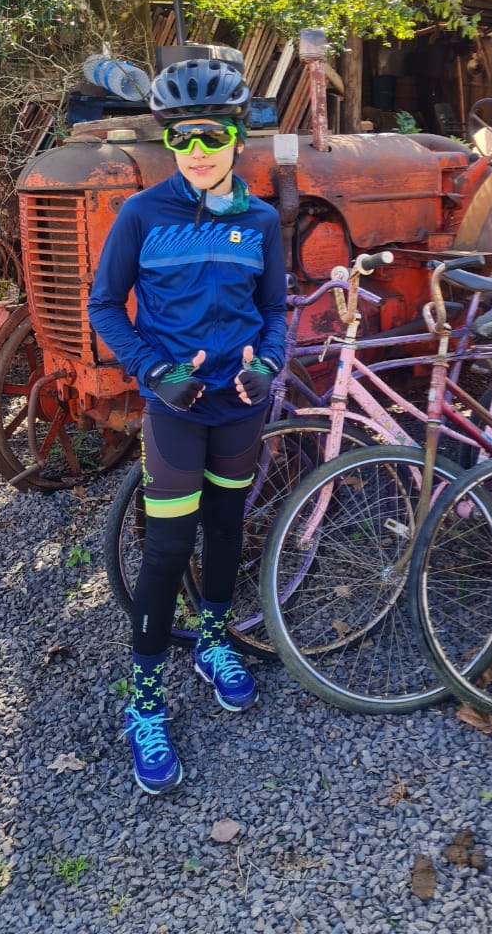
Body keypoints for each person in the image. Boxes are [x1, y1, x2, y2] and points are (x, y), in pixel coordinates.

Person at [88, 57, 288, 795]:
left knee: (228, 530)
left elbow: (274, 310)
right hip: (175, 408)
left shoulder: (261, 221)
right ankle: (145, 703)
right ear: (167, 141)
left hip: (240, 406)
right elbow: (104, 305)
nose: (197, 151)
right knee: (168, 549)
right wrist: (151, 370)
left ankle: (211, 641)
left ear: (238, 137)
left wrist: (269, 363)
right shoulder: (142, 215)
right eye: (181, 137)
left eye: (212, 135)